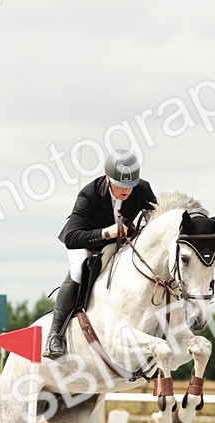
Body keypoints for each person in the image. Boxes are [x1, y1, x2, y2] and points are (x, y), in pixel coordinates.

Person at [44, 149, 158, 359]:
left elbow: (155, 218)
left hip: (121, 243)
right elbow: (72, 237)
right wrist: (107, 232)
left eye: (130, 185)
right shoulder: (89, 194)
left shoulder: (143, 189)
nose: (126, 191)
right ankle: (55, 336)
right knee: (78, 269)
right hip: (87, 241)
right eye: (120, 185)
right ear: (108, 178)